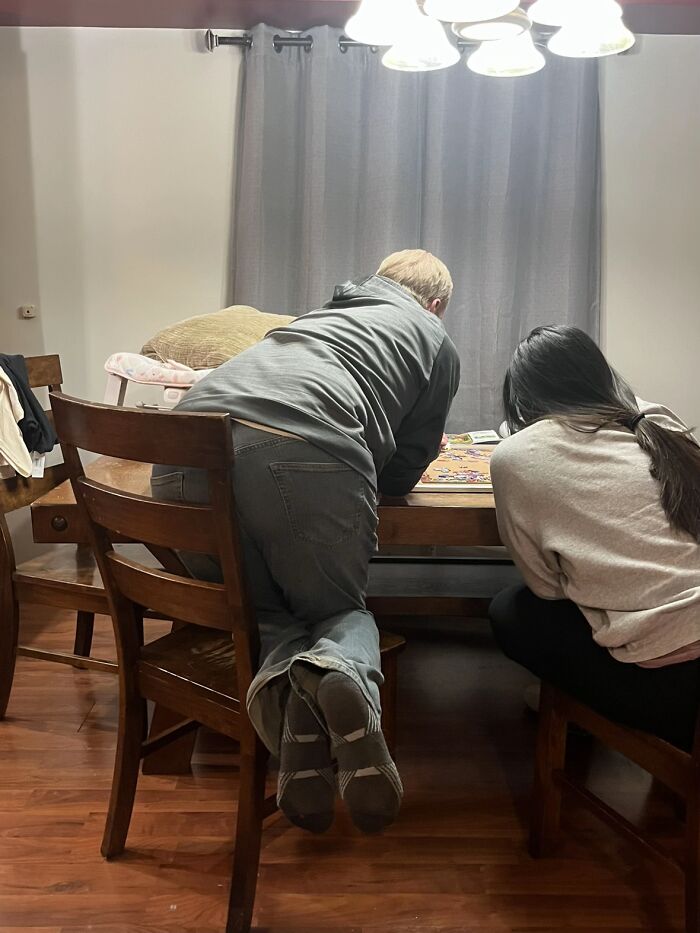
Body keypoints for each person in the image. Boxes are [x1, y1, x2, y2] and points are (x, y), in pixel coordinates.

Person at [151, 250, 460, 833]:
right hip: (300, 448)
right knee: (336, 613)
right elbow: (401, 472)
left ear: (379, 281)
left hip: (177, 453)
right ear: (436, 304)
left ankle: (301, 739)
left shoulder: (318, 317)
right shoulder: (433, 337)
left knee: (260, 611)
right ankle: (342, 674)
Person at [489, 325, 700, 751]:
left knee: (511, 610)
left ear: (523, 398)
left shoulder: (515, 455)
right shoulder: (655, 421)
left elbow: (547, 589)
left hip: (676, 691)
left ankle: (585, 712)